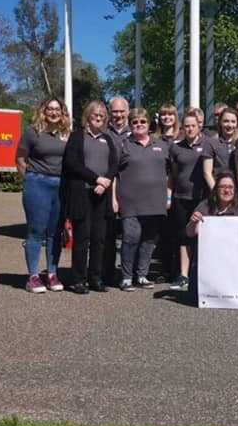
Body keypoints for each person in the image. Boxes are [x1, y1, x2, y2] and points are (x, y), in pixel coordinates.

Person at [61, 100, 120, 294]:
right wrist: (97, 179)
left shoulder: (108, 138)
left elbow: (114, 164)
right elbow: (72, 163)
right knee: (82, 238)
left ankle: (96, 277)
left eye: (102, 114)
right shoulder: (78, 136)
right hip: (83, 193)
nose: (99, 116)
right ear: (88, 115)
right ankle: (78, 279)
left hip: (102, 195)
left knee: (99, 238)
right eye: (95, 113)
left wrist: (106, 183)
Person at [15, 97, 70, 293]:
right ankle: (33, 277)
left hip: (60, 186)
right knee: (36, 230)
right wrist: (29, 179)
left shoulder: (67, 134)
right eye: (50, 109)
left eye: (57, 109)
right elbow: (20, 158)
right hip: (38, 183)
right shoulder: (32, 132)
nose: (53, 113)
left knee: (55, 232)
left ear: (62, 112)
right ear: (43, 111)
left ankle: (52, 274)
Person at [112, 107, 168, 292]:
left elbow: (171, 173)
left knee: (149, 240)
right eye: (135, 122)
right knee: (130, 238)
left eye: (142, 121)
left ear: (148, 123)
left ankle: (142, 275)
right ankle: (127, 277)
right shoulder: (123, 144)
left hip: (155, 202)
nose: (139, 125)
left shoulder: (161, 145)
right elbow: (113, 174)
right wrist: (114, 198)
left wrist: (168, 196)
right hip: (130, 202)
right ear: (130, 124)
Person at [185, 171, 238, 303]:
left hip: (232, 262)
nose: (227, 190)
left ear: (235, 191)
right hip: (206, 261)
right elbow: (190, 233)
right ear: (216, 190)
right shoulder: (204, 206)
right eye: (223, 187)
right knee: (194, 298)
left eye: (230, 187)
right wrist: (193, 222)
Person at [168, 110, 207, 290]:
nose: (190, 129)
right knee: (183, 236)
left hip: (202, 198)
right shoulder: (176, 147)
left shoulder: (208, 144)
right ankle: (183, 275)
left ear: (200, 126)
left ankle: (200, 273)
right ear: (182, 127)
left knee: (201, 237)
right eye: (187, 126)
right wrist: (169, 196)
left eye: (193, 125)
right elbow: (173, 175)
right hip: (181, 197)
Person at [103, 96, 131, 286]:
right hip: (108, 188)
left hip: (132, 189)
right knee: (108, 233)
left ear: (128, 112)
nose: (118, 115)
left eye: (122, 111)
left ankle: (129, 273)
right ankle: (107, 272)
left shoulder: (137, 131)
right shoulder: (104, 134)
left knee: (131, 233)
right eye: (115, 111)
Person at [203, 106, 238, 191]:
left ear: (237, 124)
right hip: (217, 190)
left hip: (237, 192)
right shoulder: (211, 143)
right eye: (226, 121)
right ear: (220, 123)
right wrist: (217, 192)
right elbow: (207, 173)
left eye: (233, 122)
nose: (230, 125)